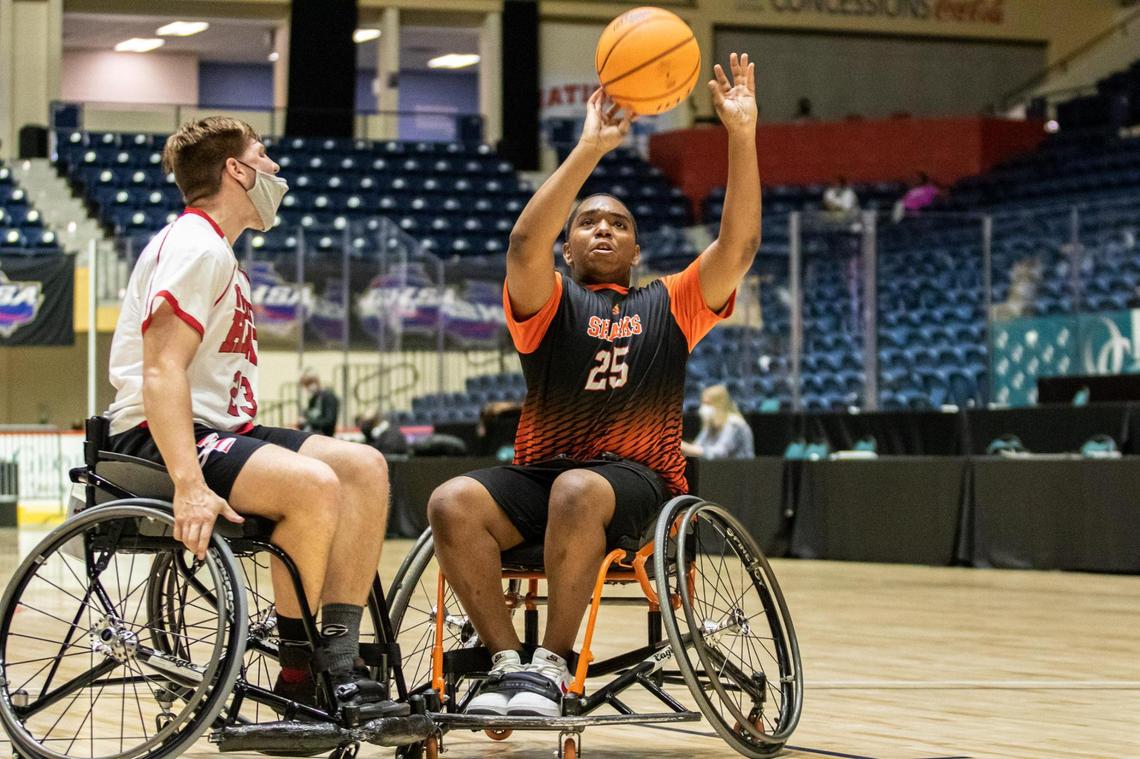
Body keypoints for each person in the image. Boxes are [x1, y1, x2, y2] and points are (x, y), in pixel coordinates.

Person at [426, 52, 760, 718]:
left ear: (636, 249)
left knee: (580, 489)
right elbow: (524, 243)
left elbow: (740, 245)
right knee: (451, 499)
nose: (604, 227)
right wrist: (589, 149)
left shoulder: (674, 303)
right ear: (569, 248)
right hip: (544, 475)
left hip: (639, 487)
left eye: (619, 223)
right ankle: (504, 664)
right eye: (588, 222)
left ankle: (549, 666)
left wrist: (742, 137)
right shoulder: (547, 306)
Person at [102, 117, 403, 719]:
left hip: (217, 429)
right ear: (236, 170)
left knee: (363, 467)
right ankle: (298, 677)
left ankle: (338, 661)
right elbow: (162, 370)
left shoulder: (218, 250)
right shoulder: (193, 244)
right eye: (263, 158)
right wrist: (188, 485)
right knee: (313, 485)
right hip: (153, 436)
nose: (275, 173)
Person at [681, 384, 755, 460]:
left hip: (741, 469)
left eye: (708, 404)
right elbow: (697, 445)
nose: (703, 407)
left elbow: (720, 453)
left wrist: (685, 447)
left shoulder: (734, 423)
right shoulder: (711, 425)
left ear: (719, 404)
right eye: (703, 403)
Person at [299, 368, 339, 436]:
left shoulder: (328, 397)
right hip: (312, 434)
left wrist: (308, 421)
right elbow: (310, 416)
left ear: (316, 381)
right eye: (306, 385)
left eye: (309, 383)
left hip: (325, 436)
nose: (308, 387)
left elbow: (329, 421)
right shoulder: (313, 399)